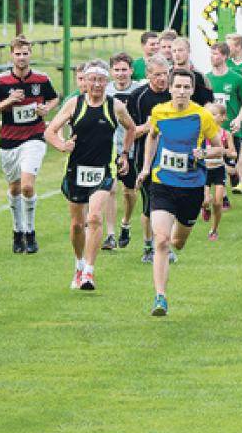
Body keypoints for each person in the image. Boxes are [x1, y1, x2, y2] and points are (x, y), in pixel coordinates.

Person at [136, 69, 225, 316]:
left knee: (177, 241)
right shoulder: (159, 112)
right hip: (162, 181)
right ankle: (160, 297)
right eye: (179, 87)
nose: (183, 91)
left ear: (192, 90)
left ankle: (177, 239)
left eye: (187, 87)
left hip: (192, 186)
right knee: (161, 240)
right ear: (171, 89)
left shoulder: (201, 116)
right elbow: (152, 137)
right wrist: (145, 168)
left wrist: (204, 154)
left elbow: (222, 149)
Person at [45, 62, 136, 290]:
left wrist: (124, 154)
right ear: (84, 82)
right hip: (76, 170)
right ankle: (79, 264)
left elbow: (131, 128)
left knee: (94, 218)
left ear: (107, 82)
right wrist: (61, 145)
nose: (96, 84)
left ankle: (89, 273)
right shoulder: (74, 104)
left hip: (104, 170)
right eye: (92, 79)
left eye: (101, 80)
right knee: (77, 224)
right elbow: (49, 131)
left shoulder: (115, 106)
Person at [0, 34, 59, 254]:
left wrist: (47, 108)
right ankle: (17, 232)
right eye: (18, 54)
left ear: (30, 54)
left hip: (34, 137)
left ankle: (30, 231)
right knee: (15, 188)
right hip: (8, 141)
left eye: (25, 54)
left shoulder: (42, 79)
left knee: (27, 186)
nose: (22, 58)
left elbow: (54, 98)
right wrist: (9, 101)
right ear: (12, 55)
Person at [126, 55, 172, 263]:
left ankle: (164, 244)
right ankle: (148, 246)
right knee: (150, 203)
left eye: (165, 74)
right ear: (148, 75)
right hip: (144, 157)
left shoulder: (176, 94)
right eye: (157, 75)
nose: (162, 79)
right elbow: (130, 132)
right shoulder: (138, 97)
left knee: (169, 204)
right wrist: (150, 126)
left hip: (172, 156)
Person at [103, 52, 142, 250]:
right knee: (109, 189)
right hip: (109, 148)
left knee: (129, 192)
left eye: (124, 70)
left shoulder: (139, 90)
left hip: (132, 148)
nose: (120, 74)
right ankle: (109, 235)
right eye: (116, 70)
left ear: (131, 70)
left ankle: (125, 223)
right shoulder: (104, 91)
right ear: (111, 72)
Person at [206, 42, 242, 195]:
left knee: (230, 167)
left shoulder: (236, 79)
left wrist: (238, 119)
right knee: (214, 162)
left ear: (224, 56)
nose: (212, 57)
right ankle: (221, 197)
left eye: (216, 54)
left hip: (231, 128)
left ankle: (237, 177)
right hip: (212, 130)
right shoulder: (207, 78)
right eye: (211, 54)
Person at [200, 103, 237, 240]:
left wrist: (223, 151)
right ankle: (205, 207)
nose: (211, 117)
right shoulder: (202, 133)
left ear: (222, 118)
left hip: (219, 169)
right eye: (209, 114)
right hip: (205, 170)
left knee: (218, 202)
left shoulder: (225, 134)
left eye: (214, 114)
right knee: (205, 200)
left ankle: (214, 230)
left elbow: (233, 154)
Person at [170, 37, 214, 106]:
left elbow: (208, 103)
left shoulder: (200, 77)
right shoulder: (166, 75)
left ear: (189, 51)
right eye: (174, 51)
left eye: (180, 50)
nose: (177, 54)